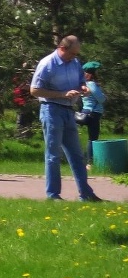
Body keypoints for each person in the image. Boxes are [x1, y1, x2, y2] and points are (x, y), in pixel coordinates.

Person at [31, 36, 102, 201]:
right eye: (72, 53)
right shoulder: (47, 64)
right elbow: (34, 90)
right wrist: (62, 94)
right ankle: (53, 195)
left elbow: (80, 81)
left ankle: (86, 194)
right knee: (53, 155)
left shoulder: (75, 63)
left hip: (69, 111)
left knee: (77, 155)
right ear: (62, 49)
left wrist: (82, 87)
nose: (74, 57)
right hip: (51, 110)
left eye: (76, 54)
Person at [80, 61, 104, 143]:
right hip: (93, 112)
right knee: (93, 137)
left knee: (92, 136)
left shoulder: (85, 84)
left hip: (87, 111)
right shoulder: (91, 84)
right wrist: (104, 97)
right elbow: (101, 99)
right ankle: (91, 155)